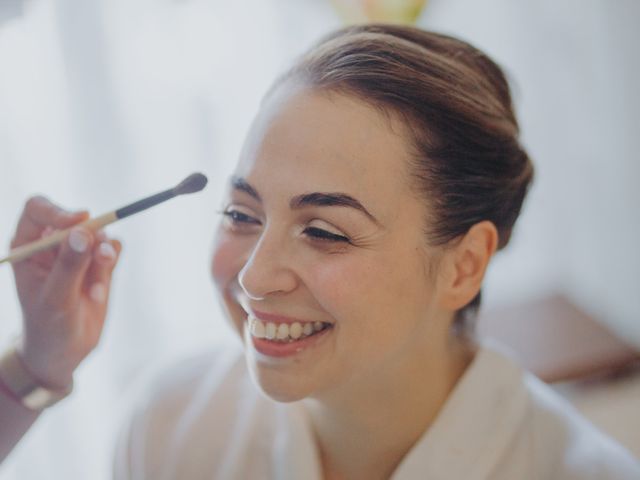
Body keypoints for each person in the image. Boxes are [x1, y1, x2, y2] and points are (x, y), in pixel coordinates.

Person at [1, 24, 639, 479]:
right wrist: (32, 368)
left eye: (325, 231)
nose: (254, 277)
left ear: (464, 264)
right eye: (241, 214)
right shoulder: (172, 425)